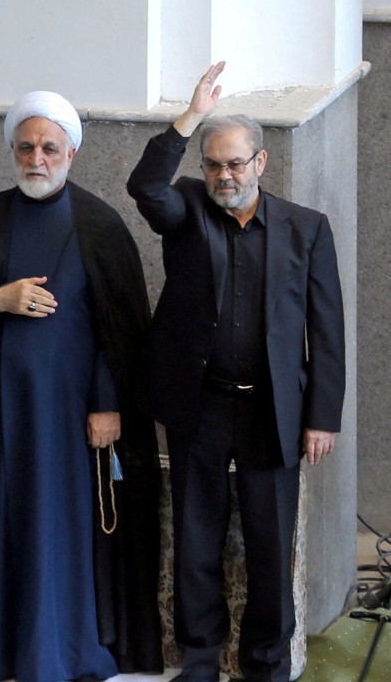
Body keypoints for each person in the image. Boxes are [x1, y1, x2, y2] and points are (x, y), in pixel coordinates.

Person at [0, 91, 164, 681]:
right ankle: (0, 647)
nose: (37, 159)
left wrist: (107, 404)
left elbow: (121, 331)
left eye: (49, 147)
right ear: (12, 152)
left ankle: (61, 648)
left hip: (69, 418)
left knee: (59, 527)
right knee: (3, 522)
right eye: (25, 148)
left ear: (71, 153)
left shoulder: (100, 225)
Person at [126, 62, 344, 682]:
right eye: (214, 165)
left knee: (270, 545)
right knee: (196, 539)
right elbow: (145, 185)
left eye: (236, 164)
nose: (225, 176)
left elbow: (327, 330)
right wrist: (190, 116)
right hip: (198, 404)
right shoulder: (186, 212)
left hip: (274, 408)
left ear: (261, 162)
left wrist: (322, 416)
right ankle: (199, 660)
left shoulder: (306, 229)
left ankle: (265, 664)